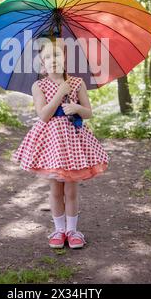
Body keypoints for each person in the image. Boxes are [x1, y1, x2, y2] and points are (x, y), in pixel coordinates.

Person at [11, 36, 110, 249]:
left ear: (64, 58)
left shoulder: (77, 82)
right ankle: (59, 230)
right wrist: (59, 94)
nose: (52, 59)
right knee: (56, 190)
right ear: (42, 63)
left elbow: (88, 112)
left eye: (56, 54)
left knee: (71, 191)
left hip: (73, 141)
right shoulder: (39, 85)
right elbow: (44, 115)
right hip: (51, 144)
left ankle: (73, 231)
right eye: (47, 57)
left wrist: (76, 109)